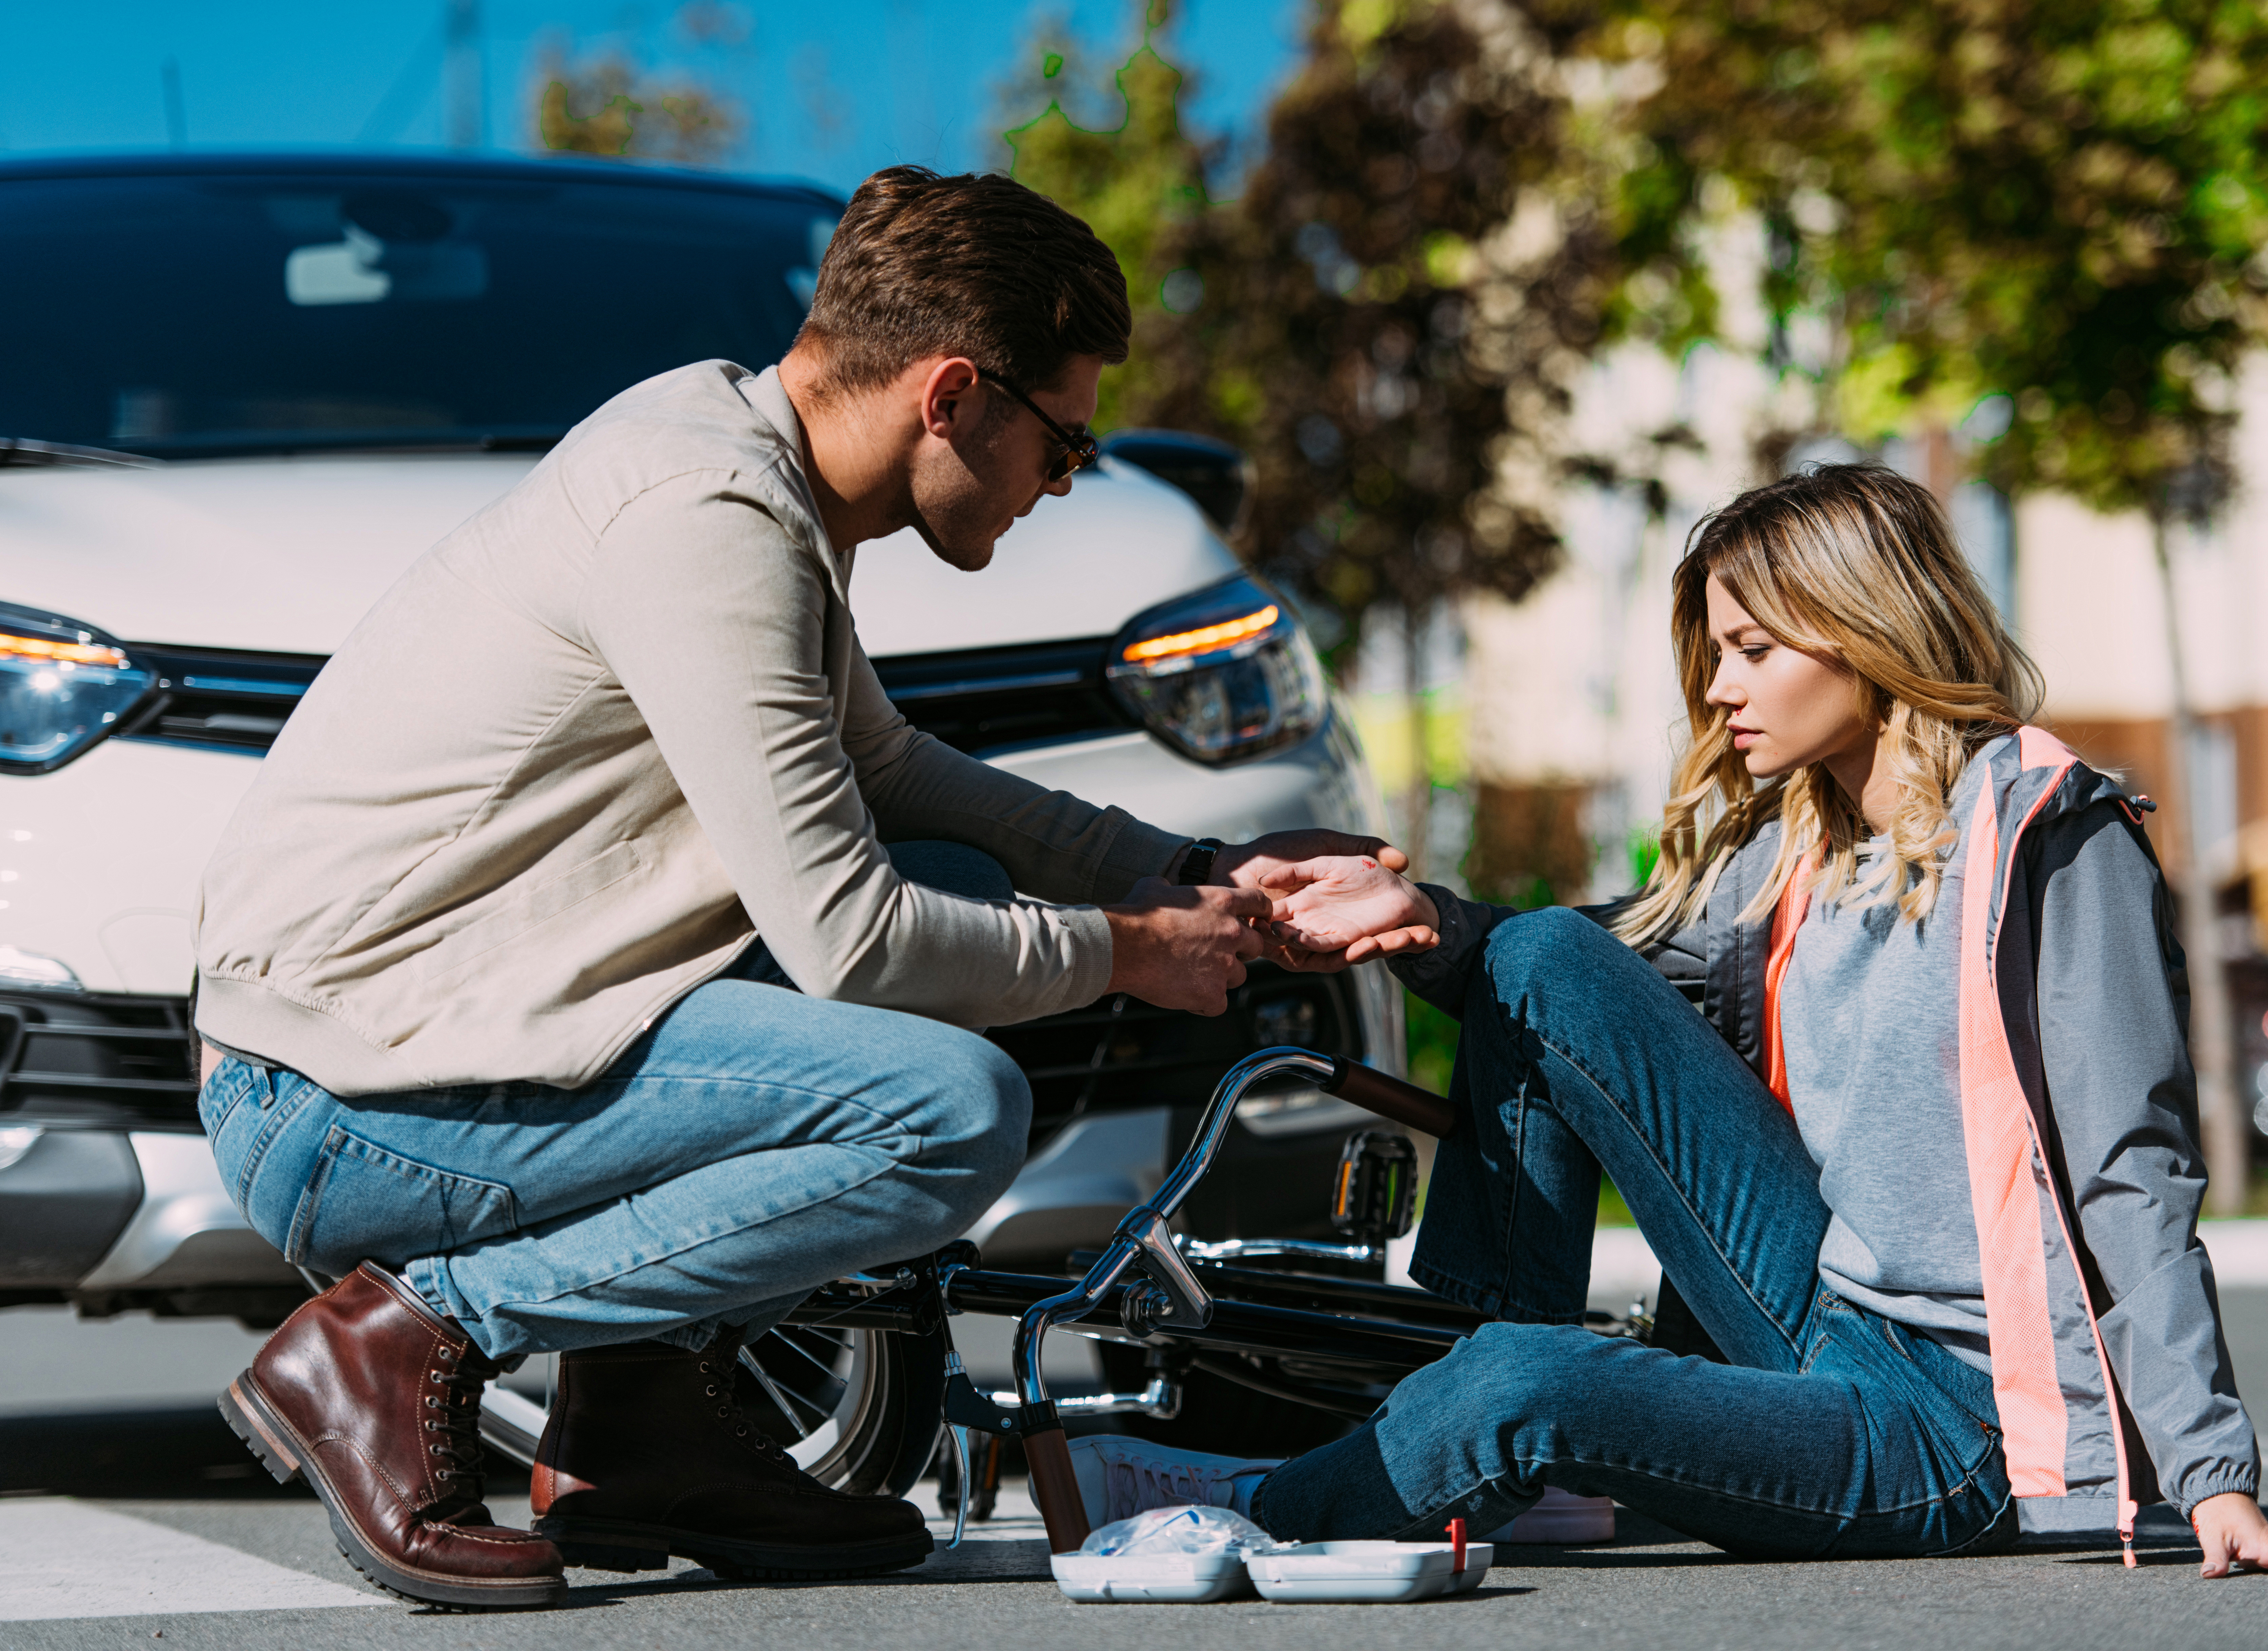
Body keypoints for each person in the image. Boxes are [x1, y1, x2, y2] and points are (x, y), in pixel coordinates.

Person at [189, 166, 1419, 1610]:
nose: (1061, 482)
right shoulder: (704, 512)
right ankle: (402, 1338)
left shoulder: (748, 461)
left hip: (427, 1039)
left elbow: (890, 770)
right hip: (339, 1103)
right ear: (952, 393)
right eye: (1061, 442)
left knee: (955, 881)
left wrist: (1182, 869)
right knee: (946, 1111)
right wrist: (1124, 951)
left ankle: (641, 1427)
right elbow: (849, 939)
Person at [1069, 462, 2268, 1582]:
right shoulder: (1806, 843)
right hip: (1826, 1314)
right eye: (1716, 651)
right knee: (1540, 952)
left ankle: (1251, 1512)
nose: (1719, 687)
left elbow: (2130, 1161)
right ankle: (1477, 1405)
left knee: (1529, 1386)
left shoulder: (2048, 835)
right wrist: (1417, 915)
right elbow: (1599, 981)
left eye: (1753, 649)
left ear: (1864, 632)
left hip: (1966, 1429)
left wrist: (2212, 1473)